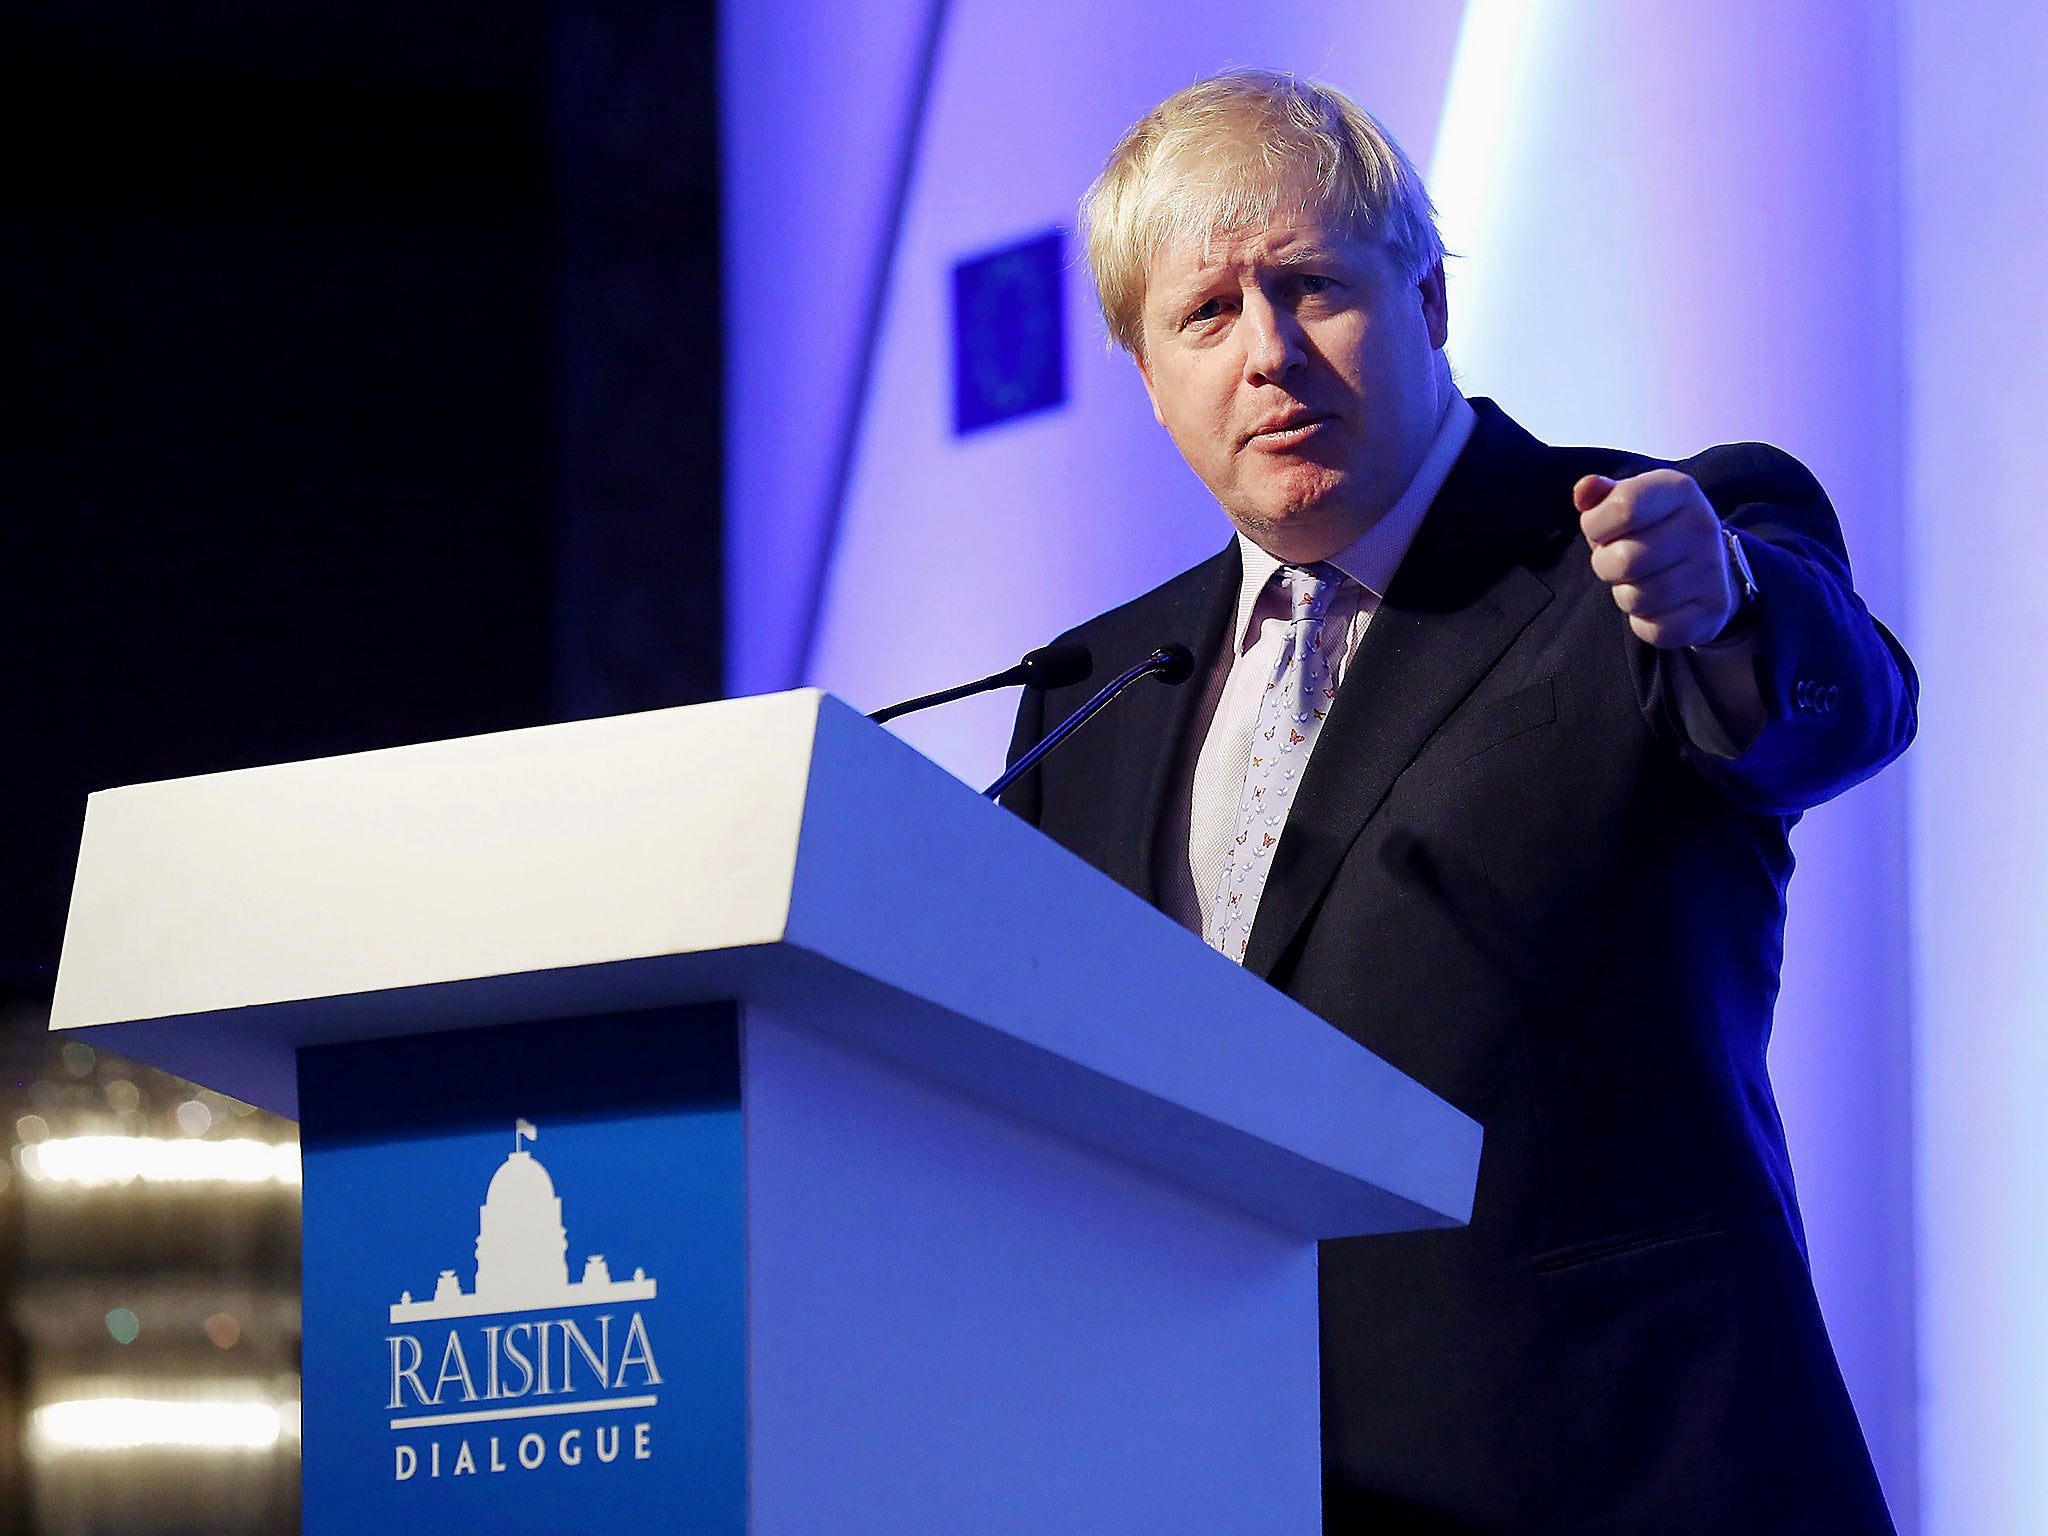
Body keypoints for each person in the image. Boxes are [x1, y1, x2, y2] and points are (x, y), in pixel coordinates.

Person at [1001, 71, 1915, 1533]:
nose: (1270, 354)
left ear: (1426, 300)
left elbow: (1837, 707)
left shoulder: (1646, 542)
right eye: (1209, 313)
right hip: (1227, 1475)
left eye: (1312, 286)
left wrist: (1727, 607)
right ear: (1146, 369)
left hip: (1626, 1468)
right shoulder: (1098, 682)